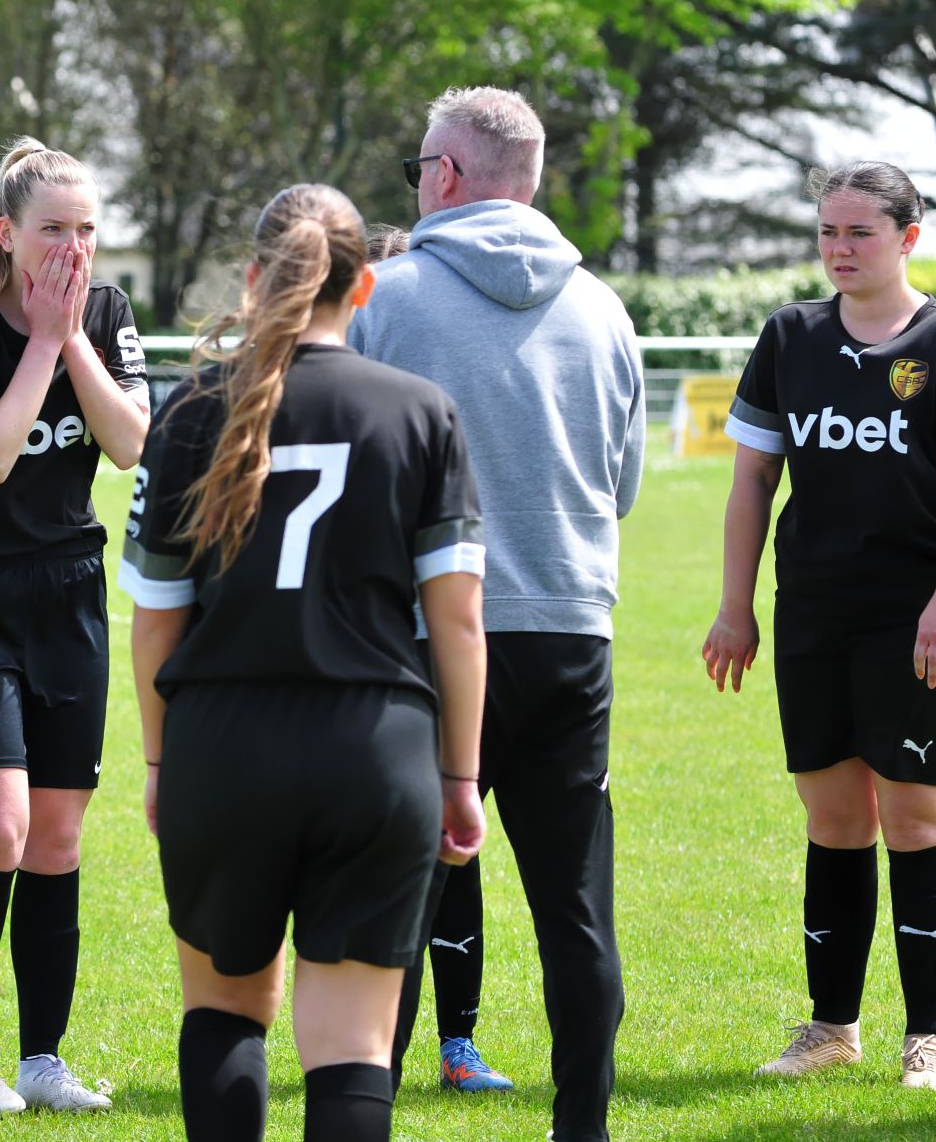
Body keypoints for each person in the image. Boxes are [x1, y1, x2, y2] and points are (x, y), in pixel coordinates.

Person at [124, 183, 488, 1142]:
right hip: (375, 752)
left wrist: (163, 765)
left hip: (223, 748)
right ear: (363, 285)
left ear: (253, 279)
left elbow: (154, 623)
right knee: (355, 1048)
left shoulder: (189, 411)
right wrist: (461, 775)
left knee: (225, 1011)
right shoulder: (420, 411)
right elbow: (459, 623)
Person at [347, 86, 644, 1142]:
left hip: (420, 632)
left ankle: (359, 1116)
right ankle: (583, 1127)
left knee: (390, 905)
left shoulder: (386, 293)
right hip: (568, 626)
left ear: (445, 174)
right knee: (574, 904)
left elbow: (351, 455)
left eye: (417, 168)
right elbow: (621, 481)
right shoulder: (602, 308)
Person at [704, 160, 936, 1091]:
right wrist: (736, 606)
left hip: (915, 620)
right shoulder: (790, 336)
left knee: (917, 817)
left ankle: (928, 1037)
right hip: (810, 613)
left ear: (908, 237)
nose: (840, 249)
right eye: (827, 233)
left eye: (860, 233)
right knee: (834, 818)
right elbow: (753, 481)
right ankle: (831, 1029)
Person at [0, 137, 149, 1115]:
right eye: (54, 227)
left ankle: (42, 1056)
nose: (72, 247)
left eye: (86, 229)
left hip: (66, 593)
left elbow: (129, 443)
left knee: (54, 838)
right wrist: (42, 340)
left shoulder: (109, 311)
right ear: (6, 235)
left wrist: (75, 332)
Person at [367, 222, 515, 1097]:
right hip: (380, 649)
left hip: (457, 637)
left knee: (456, 849)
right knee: (397, 854)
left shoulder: (437, 399)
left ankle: (456, 1044)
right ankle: (371, 1050)